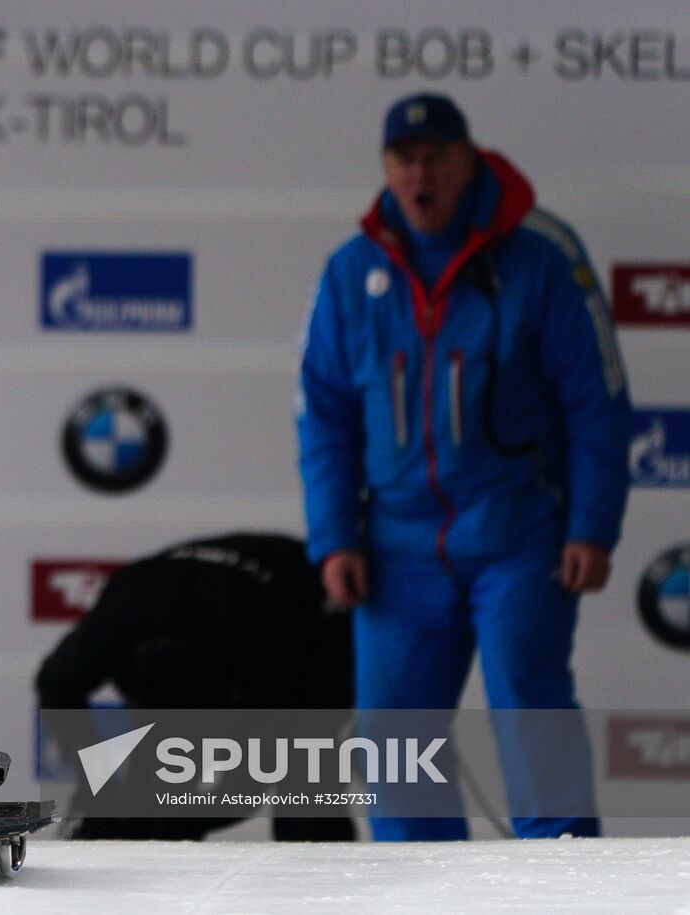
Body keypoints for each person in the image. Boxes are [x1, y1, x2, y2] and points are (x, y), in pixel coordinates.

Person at [296, 93, 631, 841]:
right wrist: (335, 538)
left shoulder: (543, 253)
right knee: (395, 742)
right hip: (397, 547)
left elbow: (598, 399)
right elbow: (322, 414)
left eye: (438, 158)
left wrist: (593, 523)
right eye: (405, 160)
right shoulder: (352, 274)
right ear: (386, 169)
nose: (421, 176)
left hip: (518, 532)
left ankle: (565, 893)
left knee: (529, 711)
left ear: (469, 160)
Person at [36, 533, 355, 841]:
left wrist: (181, 818)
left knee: (308, 779)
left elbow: (245, 792)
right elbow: (55, 684)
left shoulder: (269, 655)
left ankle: (319, 876)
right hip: (185, 589)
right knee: (136, 802)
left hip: (310, 603)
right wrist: (98, 777)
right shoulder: (120, 616)